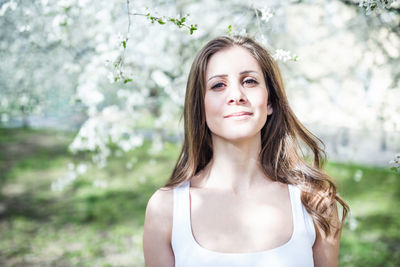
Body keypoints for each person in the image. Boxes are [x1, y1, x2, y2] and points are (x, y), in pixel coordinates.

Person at [142, 35, 349, 267]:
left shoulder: (314, 204)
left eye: (249, 81)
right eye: (218, 85)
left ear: (270, 101)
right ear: (201, 106)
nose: (236, 95)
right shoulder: (165, 208)